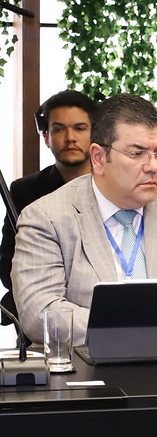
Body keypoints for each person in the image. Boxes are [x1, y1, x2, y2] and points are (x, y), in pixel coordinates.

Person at [11, 94, 157, 345]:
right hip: (86, 364)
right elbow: (39, 312)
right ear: (99, 158)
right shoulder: (47, 218)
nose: (153, 166)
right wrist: (134, 325)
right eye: (137, 153)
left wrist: (139, 322)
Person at [1, 90, 97, 330]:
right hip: (43, 321)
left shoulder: (114, 187)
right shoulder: (24, 190)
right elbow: (7, 267)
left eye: (79, 128)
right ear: (46, 137)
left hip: (100, 310)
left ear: (95, 134)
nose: (70, 138)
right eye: (59, 129)